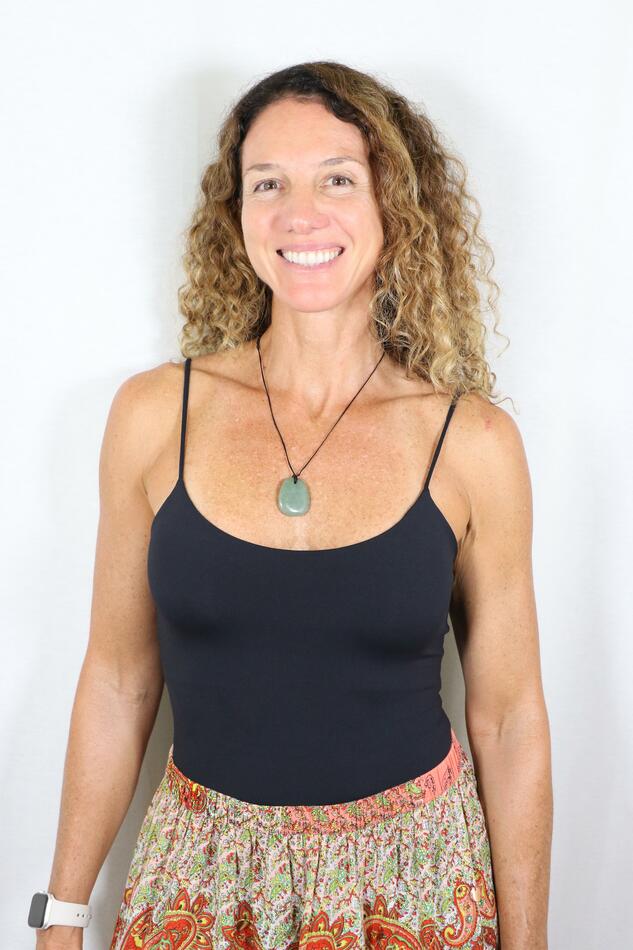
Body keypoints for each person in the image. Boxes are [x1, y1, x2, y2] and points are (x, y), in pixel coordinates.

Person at [33, 61, 552, 950]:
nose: (298, 214)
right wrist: (64, 913)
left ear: (394, 203)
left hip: (413, 887)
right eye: (267, 183)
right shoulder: (155, 415)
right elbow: (118, 682)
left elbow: (507, 721)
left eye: (337, 180)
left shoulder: (472, 441)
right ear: (234, 212)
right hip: (198, 881)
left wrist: (529, 942)